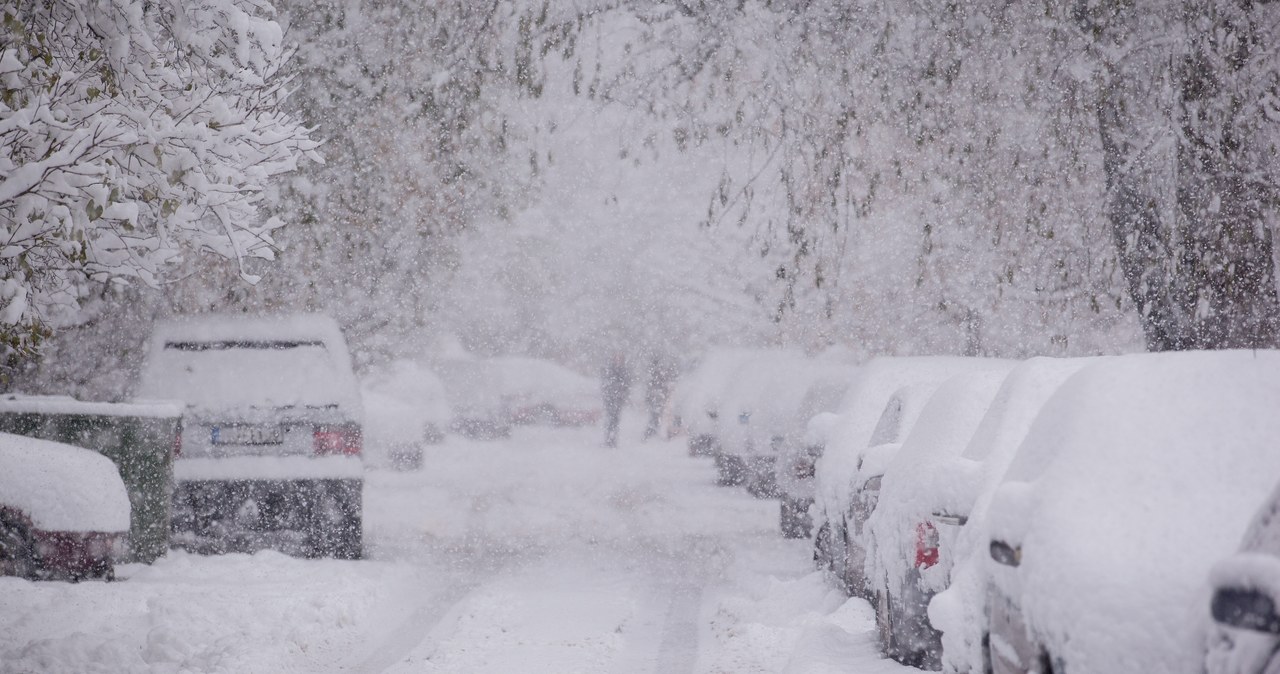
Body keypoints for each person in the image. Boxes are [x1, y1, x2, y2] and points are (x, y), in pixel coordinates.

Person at [600, 353, 632, 447]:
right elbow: (605, 384)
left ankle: (613, 439)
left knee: (615, 420)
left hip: (618, 400)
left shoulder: (623, 371)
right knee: (610, 419)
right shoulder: (609, 370)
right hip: (610, 399)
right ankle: (608, 438)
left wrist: (623, 394)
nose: (617, 361)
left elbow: (627, 385)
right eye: (616, 359)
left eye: (619, 359)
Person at [643, 353, 676, 441]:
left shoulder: (655, 375)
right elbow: (656, 388)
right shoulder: (657, 375)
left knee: (656, 417)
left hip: (657, 399)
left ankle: (651, 433)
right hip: (657, 399)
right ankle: (650, 433)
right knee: (656, 417)